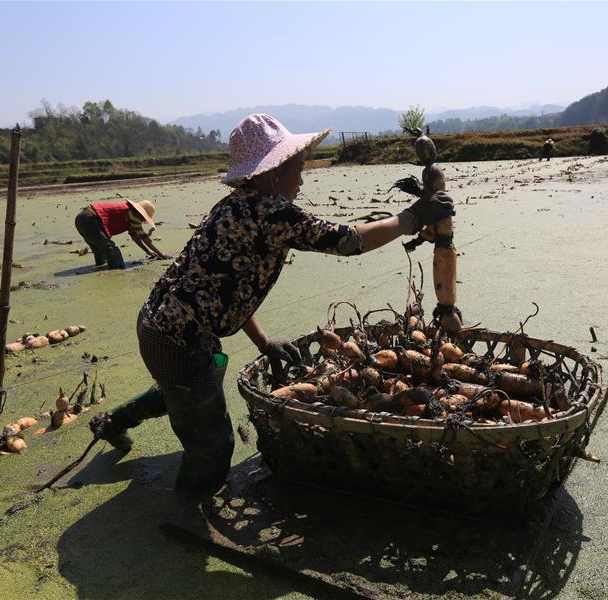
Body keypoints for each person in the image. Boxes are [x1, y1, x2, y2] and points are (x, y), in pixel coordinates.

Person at [92, 113, 454, 498]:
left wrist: (264, 342)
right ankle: (189, 510)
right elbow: (347, 241)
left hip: (164, 326)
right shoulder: (268, 210)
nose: (300, 179)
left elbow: (229, 288)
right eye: (297, 169)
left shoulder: (234, 206)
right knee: (212, 441)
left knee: (185, 388)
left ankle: (115, 421)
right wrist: (412, 218)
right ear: (272, 172)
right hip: (178, 337)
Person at [74, 198, 170, 269]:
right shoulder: (134, 215)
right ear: (141, 214)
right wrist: (161, 254)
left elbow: (135, 237)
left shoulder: (128, 211)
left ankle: (101, 269)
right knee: (112, 251)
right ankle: (115, 272)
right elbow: (144, 237)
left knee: (100, 250)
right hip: (90, 219)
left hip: (82, 218)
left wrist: (148, 252)